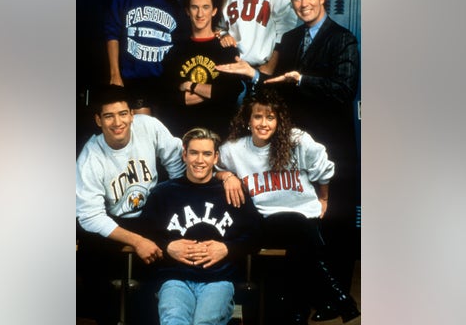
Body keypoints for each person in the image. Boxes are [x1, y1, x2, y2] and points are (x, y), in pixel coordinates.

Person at [216, 0, 360, 321]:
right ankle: (303, 300)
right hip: (292, 148)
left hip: (333, 144)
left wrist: (302, 79)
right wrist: (251, 75)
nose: (303, 4)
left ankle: (333, 299)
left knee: (334, 224)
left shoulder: (344, 39)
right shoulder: (292, 39)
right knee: (302, 226)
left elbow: (343, 89)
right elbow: (277, 87)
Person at [217, 88, 359, 324]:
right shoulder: (234, 149)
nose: (264, 123)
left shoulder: (297, 140)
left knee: (300, 237)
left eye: (270, 117)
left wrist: (323, 199)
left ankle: (297, 313)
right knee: (297, 225)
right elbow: (212, 169)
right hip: (265, 222)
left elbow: (323, 169)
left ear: (279, 120)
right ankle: (338, 297)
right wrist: (226, 177)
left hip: (305, 218)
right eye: (258, 116)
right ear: (248, 119)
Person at [76, 84, 185, 325]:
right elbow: (89, 216)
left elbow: (178, 164)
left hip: (151, 213)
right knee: (94, 265)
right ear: (98, 120)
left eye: (123, 114)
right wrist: (137, 241)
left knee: (153, 294)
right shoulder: (90, 158)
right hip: (113, 221)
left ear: (132, 115)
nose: (118, 122)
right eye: (109, 116)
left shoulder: (149, 126)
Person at [140, 127, 260, 325]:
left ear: (215, 158)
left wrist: (228, 248)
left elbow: (257, 234)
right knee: (174, 320)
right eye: (194, 153)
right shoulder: (164, 193)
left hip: (219, 278)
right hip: (174, 277)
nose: (199, 160)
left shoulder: (231, 192)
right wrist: (167, 247)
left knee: (205, 321)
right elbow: (142, 234)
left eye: (206, 154)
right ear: (184, 155)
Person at [105, 0, 185, 115]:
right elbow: (112, 33)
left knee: (164, 133)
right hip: (135, 78)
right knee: (143, 129)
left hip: (165, 78)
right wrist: (115, 74)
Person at [158, 0, 245, 139]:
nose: (200, 14)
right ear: (187, 11)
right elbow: (168, 97)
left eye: (205, 7)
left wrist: (191, 86)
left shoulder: (227, 49)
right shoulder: (176, 50)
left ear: (214, 11)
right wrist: (212, 94)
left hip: (219, 134)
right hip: (183, 134)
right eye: (194, 7)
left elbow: (230, 94)